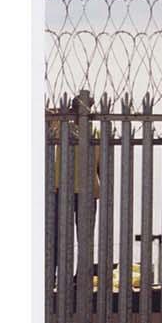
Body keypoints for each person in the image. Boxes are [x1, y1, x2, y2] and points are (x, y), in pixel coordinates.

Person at [51, 91, 100, 294]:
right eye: (79, 106)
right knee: (61, 237)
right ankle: (60, 276)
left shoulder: (95, 131)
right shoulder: (63, 126)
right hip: (63, 189)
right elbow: (46, 115)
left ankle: (81, 277)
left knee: (84, 238)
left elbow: (101, 162)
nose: (83, 111)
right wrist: (64, 112)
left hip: (87, 191)